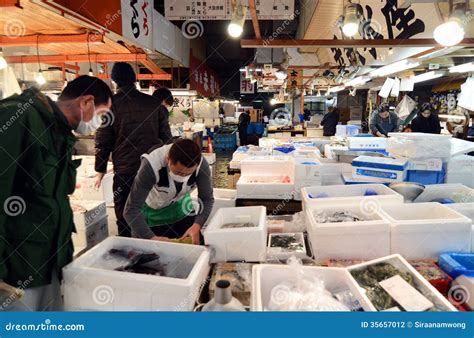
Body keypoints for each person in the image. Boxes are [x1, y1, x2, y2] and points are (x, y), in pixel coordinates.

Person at [0, 76, 113, 311]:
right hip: (18, 270)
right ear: (86, 102)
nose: (101, 124)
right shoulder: (19, 117)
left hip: (52, 261)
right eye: (102, 115)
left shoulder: (60, 132)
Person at [95, 62, 173, 238]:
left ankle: (128, 251)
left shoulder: (109, 106)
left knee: (124, 214)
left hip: (125, 172)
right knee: (151, 211)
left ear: (114, 81)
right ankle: (153, 249)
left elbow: (103, 141)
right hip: (153, 169)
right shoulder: (155, 104)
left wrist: (99, 169)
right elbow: (168, 140)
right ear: (135, 80)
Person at [124, 139, 214, 244]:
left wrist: (197, 225)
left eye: (187, 174)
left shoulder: (201, 165)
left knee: (194, 249)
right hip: (152, 214)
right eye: (178, 172)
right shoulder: (150, 166)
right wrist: (152, 238)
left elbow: (207, 199)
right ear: (168, 159)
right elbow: (131, 210)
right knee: (152, 254)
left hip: (182, 208)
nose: (182, 177)